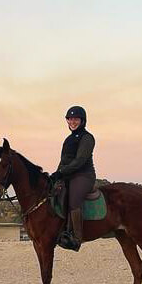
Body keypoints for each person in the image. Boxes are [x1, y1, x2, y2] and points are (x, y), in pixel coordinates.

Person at [50, 106, 95, 251]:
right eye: (70, 119)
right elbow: (64, 160)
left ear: (82, 120)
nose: (72, 122)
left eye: (76, 119)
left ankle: (76, 238)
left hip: (84, 175)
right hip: (68, 174)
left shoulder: (87, 138)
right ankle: (61, 230)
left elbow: (80, 160)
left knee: (74, 199)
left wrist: (62, 172)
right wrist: (56, 174)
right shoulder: (68, 139)